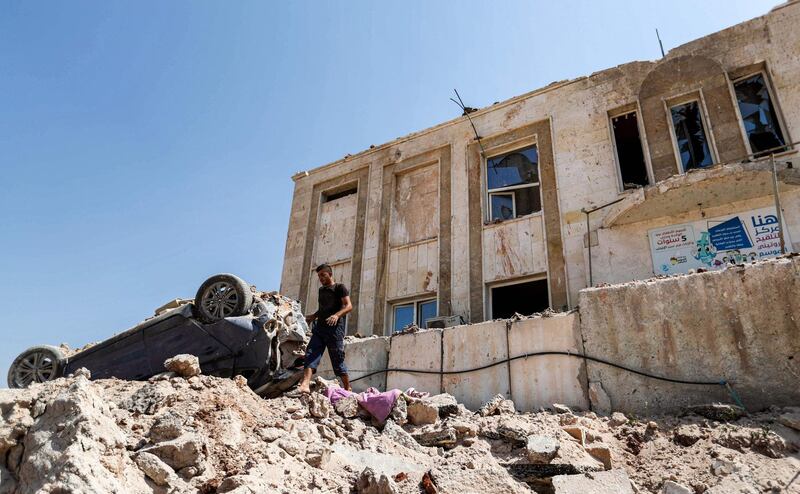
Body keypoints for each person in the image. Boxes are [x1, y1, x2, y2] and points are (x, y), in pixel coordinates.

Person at [298, 263, 353, 393]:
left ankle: (347, 388)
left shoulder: (340, 287)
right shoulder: (321, 290)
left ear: (330, 274)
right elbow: (323, 309)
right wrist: (313, 316)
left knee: (337, 361)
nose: (321, 278)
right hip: (320, 329)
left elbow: (348, 306)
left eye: (323, 275)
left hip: (334, 330)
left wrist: (336, 315)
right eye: (319, 276)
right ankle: (305, 385)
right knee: (311, 355)